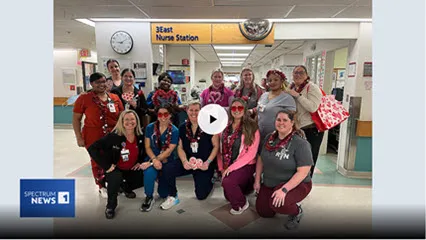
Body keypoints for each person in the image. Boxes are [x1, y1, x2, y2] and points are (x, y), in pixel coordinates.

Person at [254, 110, 313, 230]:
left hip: (296, 184)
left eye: (285, 120)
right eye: (278, 120)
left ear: (292, 122)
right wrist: (257, 180)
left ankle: (296, 211)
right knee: (264, 212)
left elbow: (303, 171)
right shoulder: (269, 138)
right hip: (270, 182)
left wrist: (284, 190)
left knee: (279, 205)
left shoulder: (300, 144)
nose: (281, 123)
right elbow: (260, 159)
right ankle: (275, 199)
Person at [72, 72, 124, 198]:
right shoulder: (84, 99)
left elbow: (122, 116)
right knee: (97, 161)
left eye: (103, 81)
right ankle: (101, 185)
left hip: (112, 135)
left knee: (114, 159)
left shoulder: (114, 98)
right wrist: (79, 137)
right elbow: (76, 119)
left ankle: (114, 183)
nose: (102, 84)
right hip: (93, 135)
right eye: (98, 82)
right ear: (91, 84)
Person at [87, 110, 145, 219]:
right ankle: (110, 206)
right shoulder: (114, 136)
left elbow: (144, 150)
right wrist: (106, 166)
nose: (130, 122)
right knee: (115, 178)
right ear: (121, 122)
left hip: (131, 168)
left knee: (144, 176)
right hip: (116, 169)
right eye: (126, 119)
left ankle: (124, 187)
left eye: (132, 119)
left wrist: (140, 161)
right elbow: (92, 148)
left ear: (137, 121)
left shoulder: (140, 135)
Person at [167, 101, 220, 200]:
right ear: (187, 111)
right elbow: (180, 147)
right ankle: (172, 194)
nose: (194, 113)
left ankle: (210, 180)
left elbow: (216, 146)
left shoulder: (210, 125)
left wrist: (207, 163)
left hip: (204, 162)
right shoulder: (182, 127)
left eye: (197, 110)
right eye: (191, 110)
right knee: (169, 169)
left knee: (201, 195)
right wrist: (184, 161)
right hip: (189, 161)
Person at [217, 98, 260, 215]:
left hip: (246, 164)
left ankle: (241, 203)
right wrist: (222, 168)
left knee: (228, 182)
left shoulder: (252, 127)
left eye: (240, 108)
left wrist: (230, 169)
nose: (236, 110)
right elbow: (219, 150)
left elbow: (251, 154)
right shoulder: (225, 126)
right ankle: (241, 189)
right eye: (234, 108)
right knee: (228, 194)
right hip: (228, 164)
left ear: (245, 110)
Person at [140, 104, 180, 212]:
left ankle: (165, 186)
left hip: (166, 160)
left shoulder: (175, 131)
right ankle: (149, 197)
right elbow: (147, 146)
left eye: (166, 114)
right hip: (152, 157)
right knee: (148, 172)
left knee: (163, 194)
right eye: (160, 114)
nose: (163, 117)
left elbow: (169, 151)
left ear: (170, 115)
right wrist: (153, 160)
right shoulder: (150, 128)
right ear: (157, 115)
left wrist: (156, 160)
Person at [286, 65, 323, 177]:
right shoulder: (291, 88)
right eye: (295, 72)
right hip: (296, 129)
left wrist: (298, 96)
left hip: (311, 130)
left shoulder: (312, 87)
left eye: (301, 72)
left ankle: (306, 184)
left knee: (308, 159)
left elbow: (313, 107)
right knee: (296, 159)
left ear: (306, 75)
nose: (298, 75)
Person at [257, 69, 296, 146]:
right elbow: (259, 112)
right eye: (270, 80)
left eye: (276, 80)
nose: (272, 82)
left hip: (277, 136)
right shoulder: (264, 95)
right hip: (260, 134)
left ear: (282, 81)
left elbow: (292, 118)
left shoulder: (287, 98)